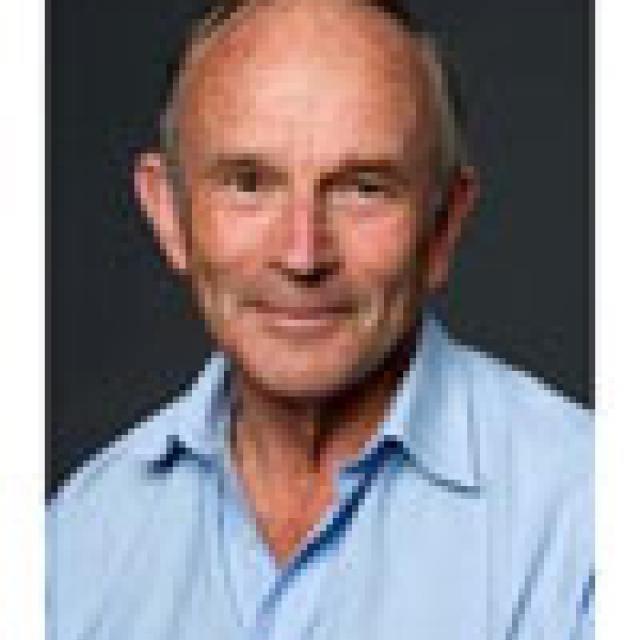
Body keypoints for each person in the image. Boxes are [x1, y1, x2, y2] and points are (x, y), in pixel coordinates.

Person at [47, 1, 593, 638]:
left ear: (444, 224)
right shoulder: (75, 542)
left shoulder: (588, 520)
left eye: (364, 187)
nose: (302, 255)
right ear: (169, 213)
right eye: (248, 183)